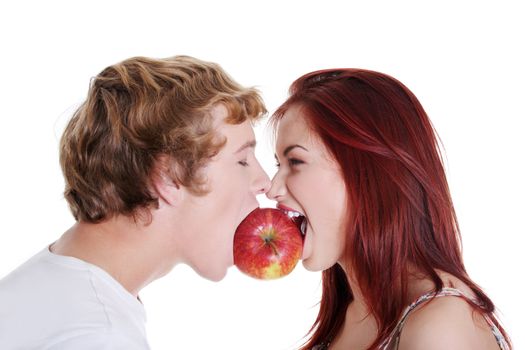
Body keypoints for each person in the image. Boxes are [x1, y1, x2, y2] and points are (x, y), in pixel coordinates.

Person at [0, 55, 270, 349]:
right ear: (168, 178)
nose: (265, 182)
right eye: (242, 160)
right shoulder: (99, 336)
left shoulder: (53, 289)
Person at [267, 69, 512, 350]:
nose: (273, 189)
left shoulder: (440, 327)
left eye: (296, 162)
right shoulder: (350, 313)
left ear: (368, 173)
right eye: (278, 165)